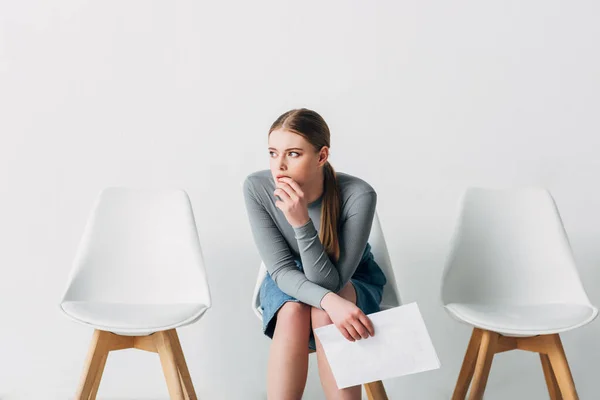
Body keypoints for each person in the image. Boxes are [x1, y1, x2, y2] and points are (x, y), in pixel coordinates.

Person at [243, 108, 387, 400]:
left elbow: (332, 283)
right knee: (294, 310)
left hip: (350, 278)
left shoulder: (359, 194)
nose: (279, 166)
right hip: (288, 278)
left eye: (293, 154)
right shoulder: (256, 188)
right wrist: (330, 300)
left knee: (324, 313)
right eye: (272, 153)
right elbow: (282, 271)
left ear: (322, 156)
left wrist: (301, 223)